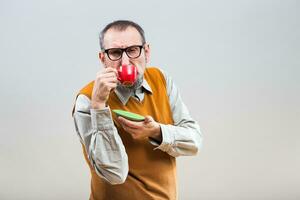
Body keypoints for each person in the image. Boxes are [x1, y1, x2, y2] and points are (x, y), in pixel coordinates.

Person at [72, 20, 202, 200]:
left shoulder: (161, 80)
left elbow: (194, 141)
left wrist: (157, 132)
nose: (125, 62)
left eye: (133, 50)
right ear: (103, 59)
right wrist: (99, 106)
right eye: (115, 53)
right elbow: (114, 174)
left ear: (146, 52)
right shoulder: (87, 100)